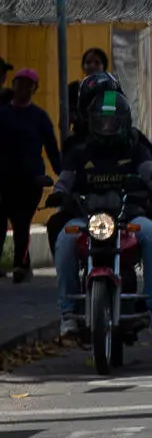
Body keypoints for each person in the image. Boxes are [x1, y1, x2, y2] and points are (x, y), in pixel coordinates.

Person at [53, 88, 152, 341]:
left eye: (112, 122)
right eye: (101, 122)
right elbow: (64, 181)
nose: (106, 127)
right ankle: (68, 313)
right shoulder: (79, 152)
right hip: (87, 219)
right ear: (92, 122)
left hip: (128, 218)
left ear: (123, 123)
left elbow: (151, 173)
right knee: (64, 239)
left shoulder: (136, 150)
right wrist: (59, 193)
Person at [0, 68, 60, 283]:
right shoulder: (3, 114)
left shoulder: (39, 117)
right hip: (4, 178)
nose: (23, 88)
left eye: (28, 85)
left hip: (30, 180)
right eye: (19, 83)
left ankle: (19, 265)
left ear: (34, 89)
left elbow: (52, 148)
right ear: (13, 86)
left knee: (22, 222)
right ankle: (16, 264)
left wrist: (62, 173)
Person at [64, 47, 110, 145]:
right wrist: (67, 134)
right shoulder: (73, 88)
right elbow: (65, 118)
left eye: (97, 63)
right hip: (78, 140)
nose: (92, 66)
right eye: (88, 62)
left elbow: (110, 117)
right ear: (83, 66)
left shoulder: (110, 89)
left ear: (103, 66)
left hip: (102, 140)